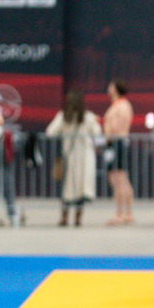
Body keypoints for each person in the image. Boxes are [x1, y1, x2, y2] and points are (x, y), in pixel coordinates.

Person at [46, 92, 101, 226]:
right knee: (81, 189)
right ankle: (78, 219)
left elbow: (50, 132)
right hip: (86, 156)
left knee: (68, 188)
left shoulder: (64, 116)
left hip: (70, 156)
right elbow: (98, 133)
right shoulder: (88, 117)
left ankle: (64, 218)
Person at [103, 78, 135, 224]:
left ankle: (121, 213)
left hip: (117, 143)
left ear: (115, 88)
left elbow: (116, 128)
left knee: (119, 180)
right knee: (121, 179)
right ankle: (126, 213)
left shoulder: (121, 106)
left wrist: (106, 128)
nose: (108, 88)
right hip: (115, 144)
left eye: (111, 85)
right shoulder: (119, 105)